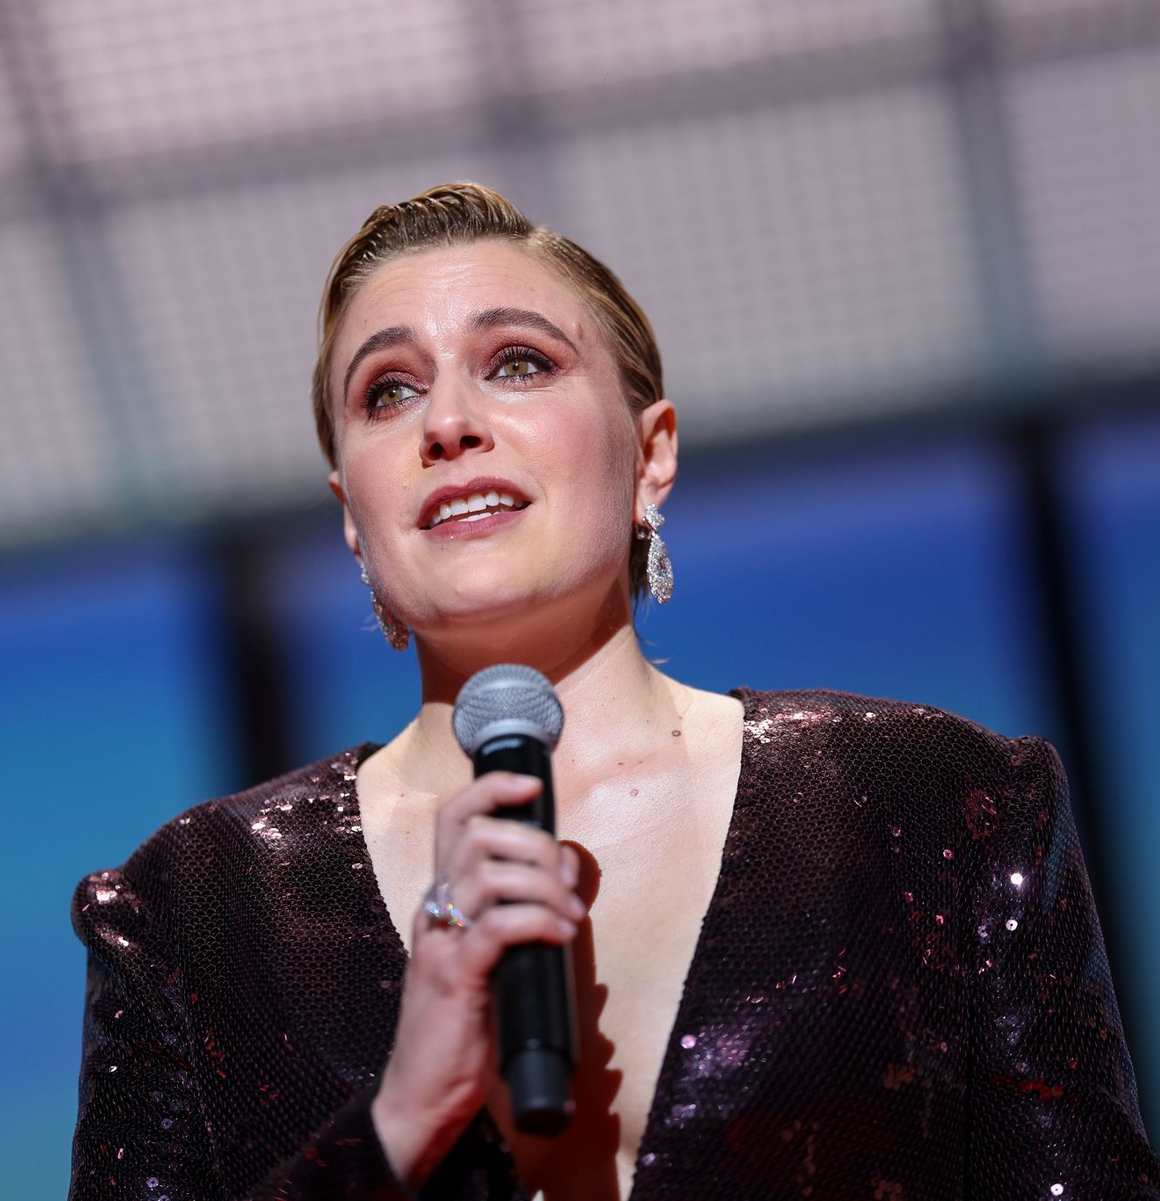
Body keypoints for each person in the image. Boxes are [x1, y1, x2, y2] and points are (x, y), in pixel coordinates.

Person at [69, 182, 1160, 1200]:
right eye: (388, 391)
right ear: (353, 514)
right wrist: (397, 1124)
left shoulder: (935, 806)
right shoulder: (194, 912)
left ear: (651, 456)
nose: (447, 423)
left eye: (519, 363)